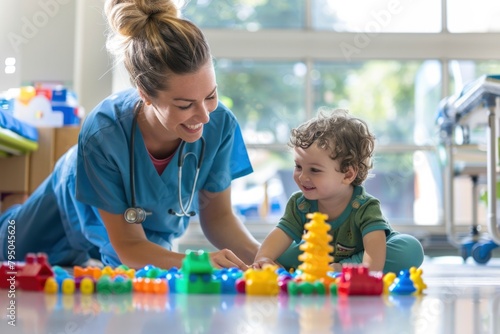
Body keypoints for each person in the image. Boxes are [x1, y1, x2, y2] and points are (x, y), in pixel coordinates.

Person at [0, 0, 260, 270]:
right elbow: (129, 245)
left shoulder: (220, 126)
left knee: (131, 283)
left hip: (139, 238)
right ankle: (11, 208)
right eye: (184, 105)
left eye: (211, 96)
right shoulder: (103, 134)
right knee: (11, 253)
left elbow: (218, 218)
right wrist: (199, 262)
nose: (204, 116)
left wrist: (263, 257)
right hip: (68, 206)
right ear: (145, 94)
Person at [252, 109, 424, 274]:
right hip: (321, 254)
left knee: (410, 249)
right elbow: (281, 234)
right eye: (298, 166)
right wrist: (264, 258)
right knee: (282, 249)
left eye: (315, 170)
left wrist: (353, 270)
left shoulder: (365, 207)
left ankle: (344, 268)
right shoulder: (300, 204)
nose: (302, 177)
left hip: (366, 256)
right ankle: (320, 267)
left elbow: (374, 255)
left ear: (348, 174)